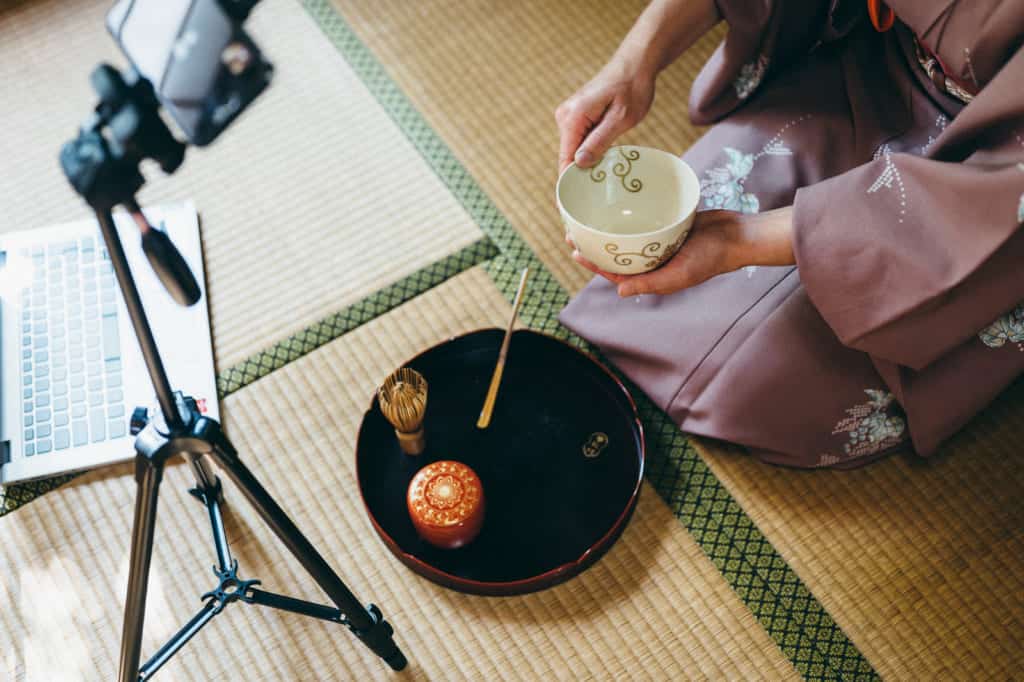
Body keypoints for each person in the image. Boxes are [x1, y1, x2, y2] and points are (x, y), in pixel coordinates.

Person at [555, 0, 1024, 468]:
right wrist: (634, 62)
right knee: (650, 300)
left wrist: (738, 241)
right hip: (873, 68)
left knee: (755, 392)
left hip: (987, 180)